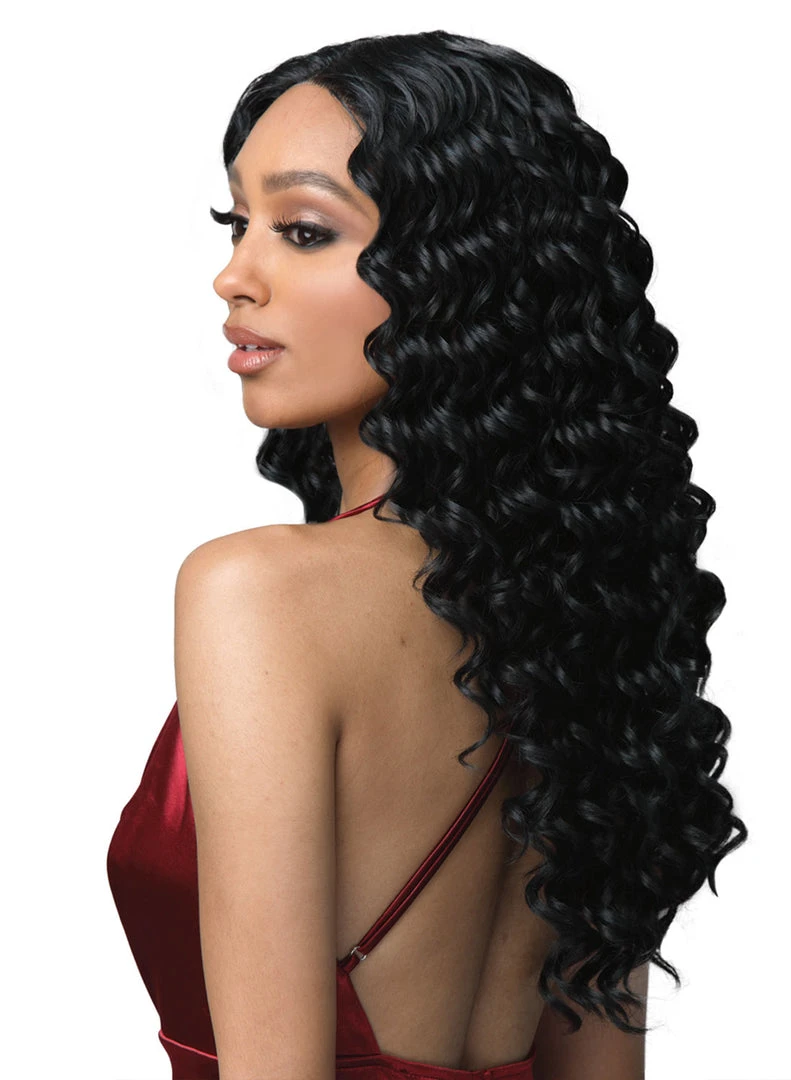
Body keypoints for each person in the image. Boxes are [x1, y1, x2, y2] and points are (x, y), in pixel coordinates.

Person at [107, 29, 747, 1080]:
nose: (233, 276)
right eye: (236, 223)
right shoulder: (590, 616)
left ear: (460, 272)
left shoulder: (256, 594)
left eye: (303, 231)